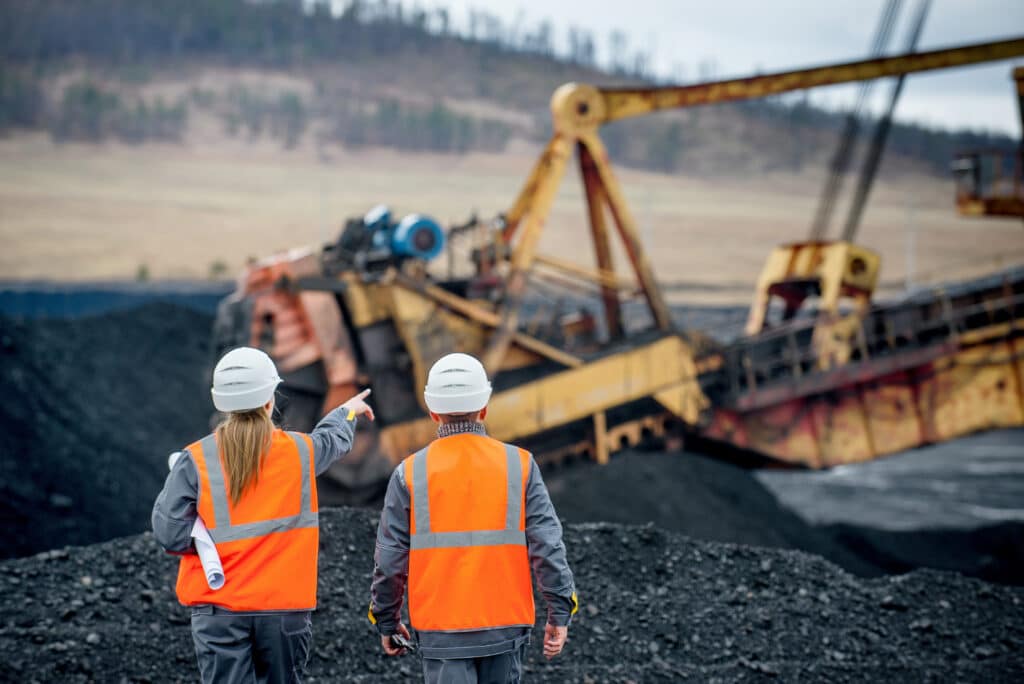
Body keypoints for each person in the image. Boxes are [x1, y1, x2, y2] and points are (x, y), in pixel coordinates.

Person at [151, 346, 374, 684]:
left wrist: (205, 541)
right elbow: (332, 440)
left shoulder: (195, 460)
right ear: (270, 400)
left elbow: (170, 533)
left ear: (220, 403)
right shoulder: (300, 452)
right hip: (283, 610)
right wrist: (348, 411)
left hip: (218, 610)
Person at [369, 352, 578, 683]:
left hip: (441, 631)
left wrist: (387, 621)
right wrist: (559, 611)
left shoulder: (410, 473)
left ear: (432, 411)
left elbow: (390, 560)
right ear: (484, 408)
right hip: (505, 627)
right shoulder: (519, 465)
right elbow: (547, 545)